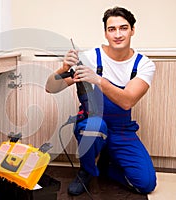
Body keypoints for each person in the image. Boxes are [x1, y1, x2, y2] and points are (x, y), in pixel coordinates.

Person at [45, 6, 157, 196]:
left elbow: (127, 101)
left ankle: (106, 165)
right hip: (92, 123)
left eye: (123, 28)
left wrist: (98, 79)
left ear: (132, 30)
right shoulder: (89, 58)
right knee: (95, 126)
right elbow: (51, 87)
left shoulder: (144, 64)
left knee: (146, 184)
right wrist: (63, 68)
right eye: (111, 29)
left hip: (122, 129)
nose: (118, 34)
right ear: (105, 33)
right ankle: (86, 171)